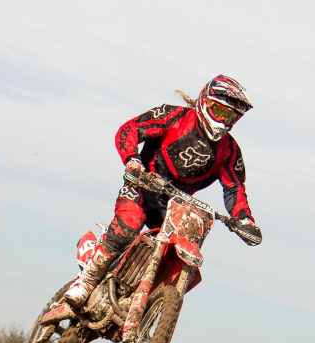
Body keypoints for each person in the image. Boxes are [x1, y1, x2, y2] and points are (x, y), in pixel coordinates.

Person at [63, 74, 262, 307]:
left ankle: (149, 303)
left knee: (178, 255)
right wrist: (132, 160)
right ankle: (86, 280)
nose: (224, 121)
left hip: (173, 207)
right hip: (142, 185)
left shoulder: (229, 150)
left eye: (231, 117)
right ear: (205, 102)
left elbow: (234, 188)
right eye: (220, 112)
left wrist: (245, 220)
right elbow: (130, 129)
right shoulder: (173, 116)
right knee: (129, 223)